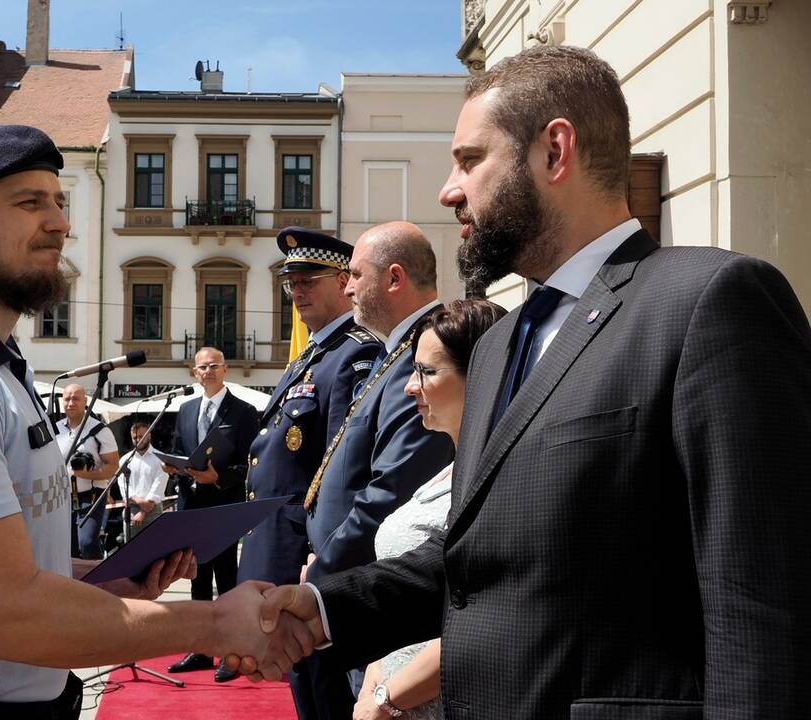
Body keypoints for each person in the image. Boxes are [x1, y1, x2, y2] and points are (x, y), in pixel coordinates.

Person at [249, 45, 811, 718]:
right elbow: (477, 567)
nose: (448, 190)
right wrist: (320, 607)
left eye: (469, 160)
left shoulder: (709, 302)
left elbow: (762, 606)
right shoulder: (498, 344)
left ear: (554, 152)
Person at [0, 124, 314, 720]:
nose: (60, 223)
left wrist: (106, 582)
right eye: (30, 203)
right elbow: (3, 614)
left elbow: (6, 569)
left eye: (60, 202)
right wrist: (215, 622)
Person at [293, 220, 456, 720]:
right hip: (354, 581)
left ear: (394, 278)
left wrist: (321, 578)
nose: (346, 287)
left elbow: (391, 489)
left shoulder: (424, 354)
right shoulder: (396, 353)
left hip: (373, 590)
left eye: (355, 275)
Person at [236, 227, 380, 693]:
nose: (296, 292)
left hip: (307, 553)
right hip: (279, 546)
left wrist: (324, 554)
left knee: (325, 693)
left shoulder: (355, 354)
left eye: (308, 281)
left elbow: (342, 469)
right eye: (290, 283)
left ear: (344, 282)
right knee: (304, 691)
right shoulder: (310, 357)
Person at [353, 299, 505, 720]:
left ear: (481, 376)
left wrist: (385, 700)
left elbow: (476, 620)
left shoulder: (500, 481)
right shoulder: (446, 470)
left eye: (428, 372)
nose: (409, 386)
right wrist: (375, 674)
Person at [164, 346, 260, 680]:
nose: (208, 371)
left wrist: (219, 477)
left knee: (227, 580)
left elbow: (251, 462)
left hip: (224, 504)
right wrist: (174, 466)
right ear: (194, 372)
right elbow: (179, 449)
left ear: (225, 369)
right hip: (192, 506)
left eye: (214, 366)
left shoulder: (243, 412)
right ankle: (202, 650)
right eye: (202, 367)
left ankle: (232, 652)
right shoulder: (187, 409)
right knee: (198, 580)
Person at [56, 383, 120, 560]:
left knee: (87, 543)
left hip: (91, 496)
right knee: (68, 548)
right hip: (62, 497)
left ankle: (97, 583)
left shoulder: (100, 431)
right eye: (67, 398)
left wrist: (87, 474)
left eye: (76, 398)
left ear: (85, 401)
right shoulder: (55, 429)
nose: (71, 403)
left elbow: (113, 466)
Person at [117, 420, 169, 537]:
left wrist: (143, 511)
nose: (137, 439)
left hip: (154, 511)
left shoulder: (160, 459)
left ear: (149, 435)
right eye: (134, 437)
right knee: (131, 551)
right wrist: (139, 501)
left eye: (141, 436)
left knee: (155, 551)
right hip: (131, 510)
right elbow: (123, 485)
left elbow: (158, 486)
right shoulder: (125, 460)